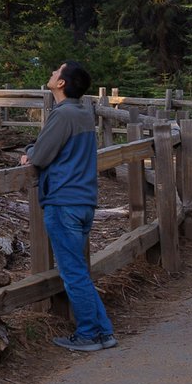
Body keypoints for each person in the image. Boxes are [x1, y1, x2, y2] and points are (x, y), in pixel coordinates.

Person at [21, 60, 113, 351]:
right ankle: (104, 332)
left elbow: (42, 155)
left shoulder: (64, 116)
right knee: (78, 271)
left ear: (61, 83)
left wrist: (28, 154)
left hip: (64, 201)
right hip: (84, 201)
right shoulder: (83, 114)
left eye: (55, 71)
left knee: (73, 273)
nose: (51, 73)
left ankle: (88, 334)